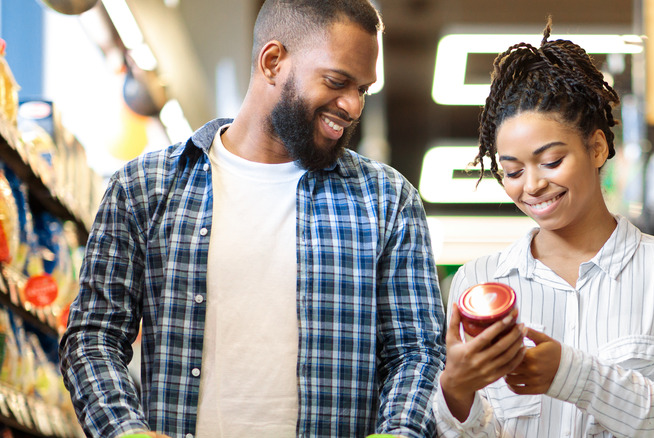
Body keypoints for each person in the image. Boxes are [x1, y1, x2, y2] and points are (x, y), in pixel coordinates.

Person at [58, 1, 446, 437]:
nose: (353, 106)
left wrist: (399, 433)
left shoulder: (387, 200)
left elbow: (417, 352)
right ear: (273, 61)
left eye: (363, 90)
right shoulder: (144, 188)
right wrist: (125, 432)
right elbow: (92, 338)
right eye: (338, 82)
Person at [434, 19, 654, 437]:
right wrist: (455, 392)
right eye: (512, 171)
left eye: (551, 162)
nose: (532, 185)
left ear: (597, 147)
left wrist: (573, 376)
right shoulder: (479, 282)